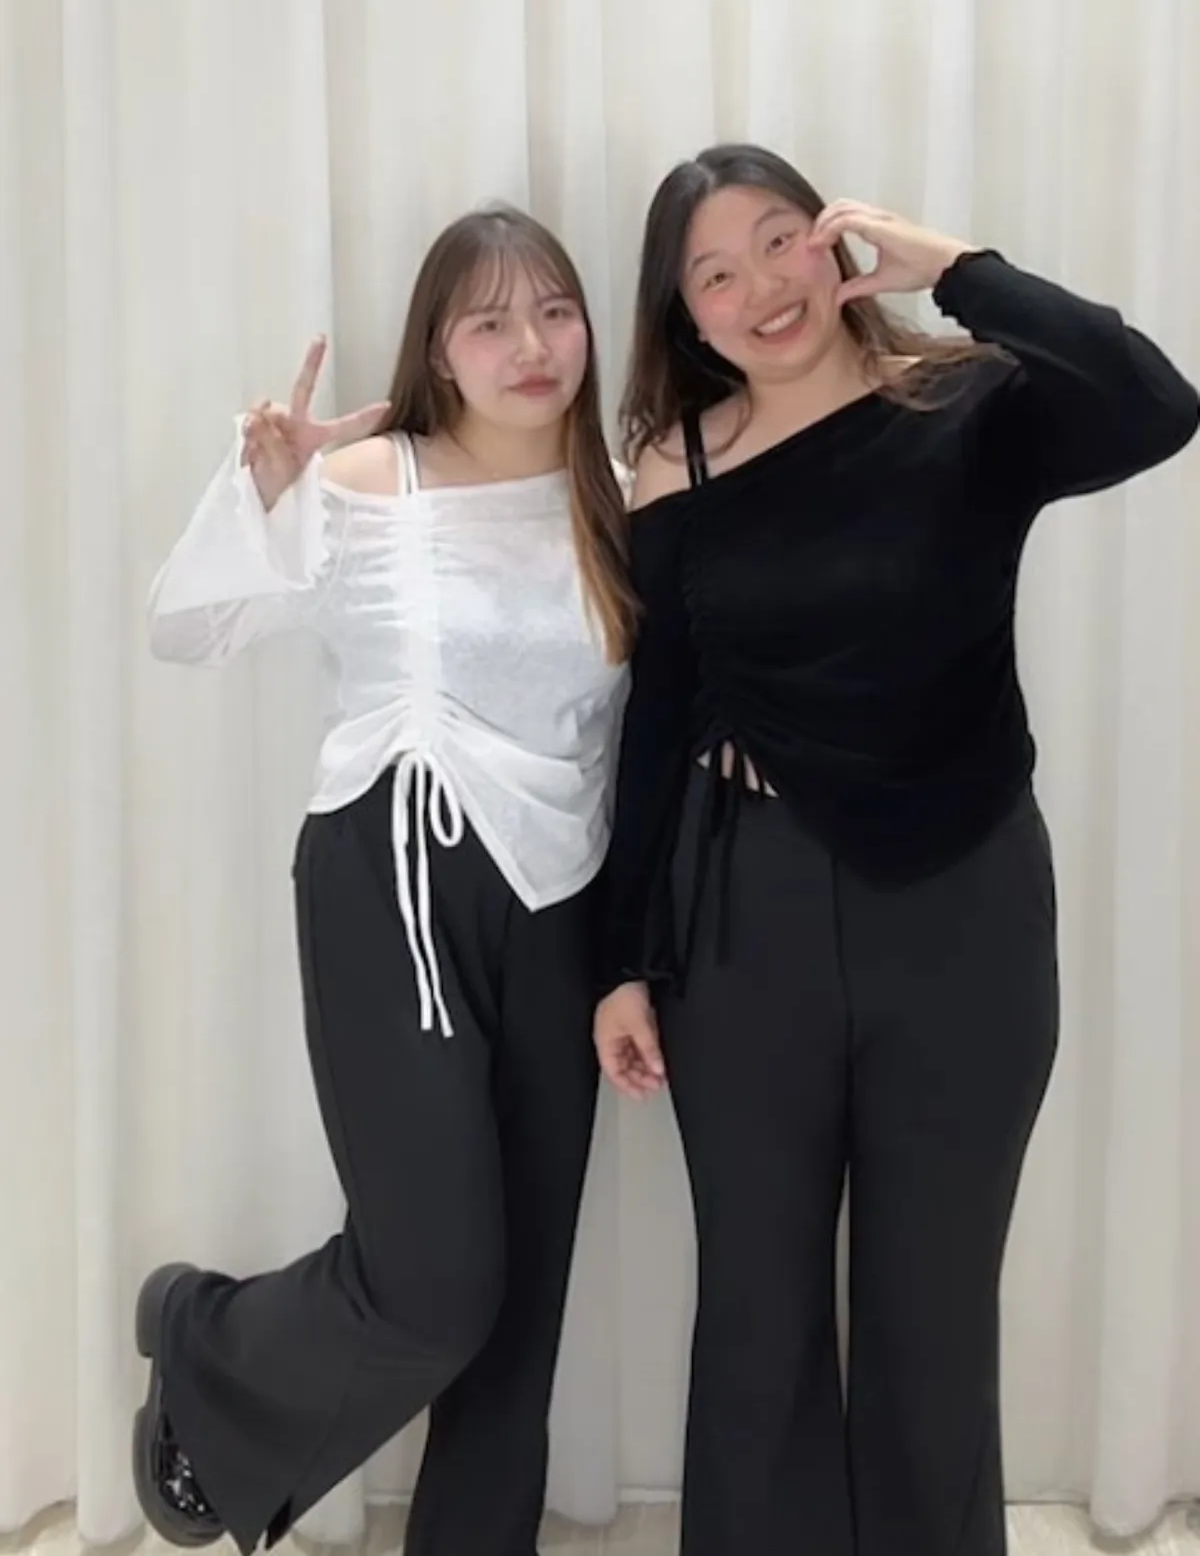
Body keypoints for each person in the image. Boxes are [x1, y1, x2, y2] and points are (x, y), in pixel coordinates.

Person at [592, 143, 1199, 1556]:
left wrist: (963, 272)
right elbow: (654, 721)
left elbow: (1158, 404)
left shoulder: (967, 405)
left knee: (934, 1314)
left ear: (837, 240)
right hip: (744, 918)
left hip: (965, 905)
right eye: (714, 274)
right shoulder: (674, 468)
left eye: (779, 240)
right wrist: (621, 960)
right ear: (685, 313)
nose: (760, 288)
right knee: (759, 1313)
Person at [133, 205, 635, 1556]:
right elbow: (186, 631)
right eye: (491, 321)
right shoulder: (373, 483)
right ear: (439, 349)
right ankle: (202, 1331)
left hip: (565, 901)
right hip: (394, 875)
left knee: (521, 1304)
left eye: (555, 312)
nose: (532, 347)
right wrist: (267, 492)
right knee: (436, 1285)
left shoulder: (619, 496)